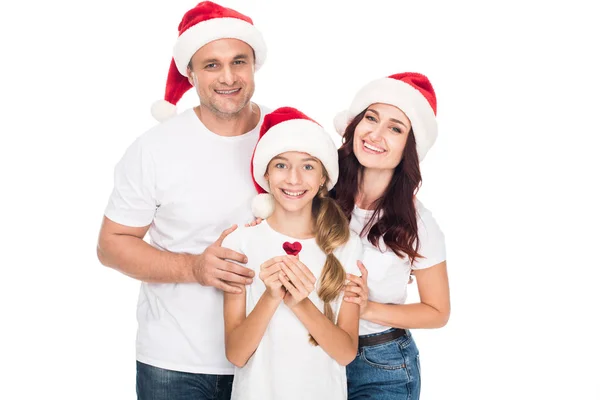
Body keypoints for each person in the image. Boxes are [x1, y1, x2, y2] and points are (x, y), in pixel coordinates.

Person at [95, 2, 270, 399]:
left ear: (254, 65)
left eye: (238, 61)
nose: (228, 77)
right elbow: (111, 245)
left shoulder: (287, 139)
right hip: (176, 364)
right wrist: (194, 268)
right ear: (189, 73)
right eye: (211, 65)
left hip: (272, 358)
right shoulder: (155, 149)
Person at [222, 107, 364, 400]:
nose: (294, 179)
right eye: (282, 165)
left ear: (324, 177)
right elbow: (236, 354)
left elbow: (346, 353)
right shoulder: (240, 243)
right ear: (266, 174)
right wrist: (271, 296)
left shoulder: (346, 246)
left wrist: (300, 303)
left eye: (308, 166)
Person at [333, 72, 450, 400]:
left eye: (395, 128)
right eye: (371, 118)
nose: (375, 133)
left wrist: (366, 307)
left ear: (409, 148)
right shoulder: (317, 192)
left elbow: (437, 311)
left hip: (382, 365)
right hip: (315, 353)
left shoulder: (419, 224)